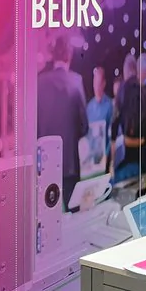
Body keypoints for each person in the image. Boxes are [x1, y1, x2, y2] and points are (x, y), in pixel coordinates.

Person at [37, 35, 88, 211]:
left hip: (45, 165)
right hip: (70, 164)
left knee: (47, 218)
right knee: (75, 215)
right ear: (70, 55)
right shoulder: (76, 81)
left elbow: (34, 128)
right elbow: (84, 126)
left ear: (53, 55)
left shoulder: (39, 83)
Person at [111, 54, 146, 184]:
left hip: (124, 158)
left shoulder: (122, 89)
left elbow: (114, 123)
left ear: (125, 70)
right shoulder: (143, 89)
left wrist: (112, 160)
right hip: (141, 157)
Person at [87, 67, 113, 166]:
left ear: (103, 84)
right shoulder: (89, 107)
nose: (96, 87)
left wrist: (106, 156)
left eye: (98, 83)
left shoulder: (109, 106)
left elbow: (112, 134)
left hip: (105, 158)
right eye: (95, 83)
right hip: (91, 159)